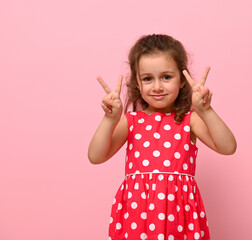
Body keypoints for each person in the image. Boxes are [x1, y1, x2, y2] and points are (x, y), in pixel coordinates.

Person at [88, 34, 236, 240]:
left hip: (179, 215)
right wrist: (109, 119)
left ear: (182, 80)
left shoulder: (189, 120)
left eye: (166, 77)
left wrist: (207, 111)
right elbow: (96, 156)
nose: (157, 87)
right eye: (148, 79)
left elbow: (228, 147)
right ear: (138, 84)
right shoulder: (131, 121)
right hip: (137, 214)